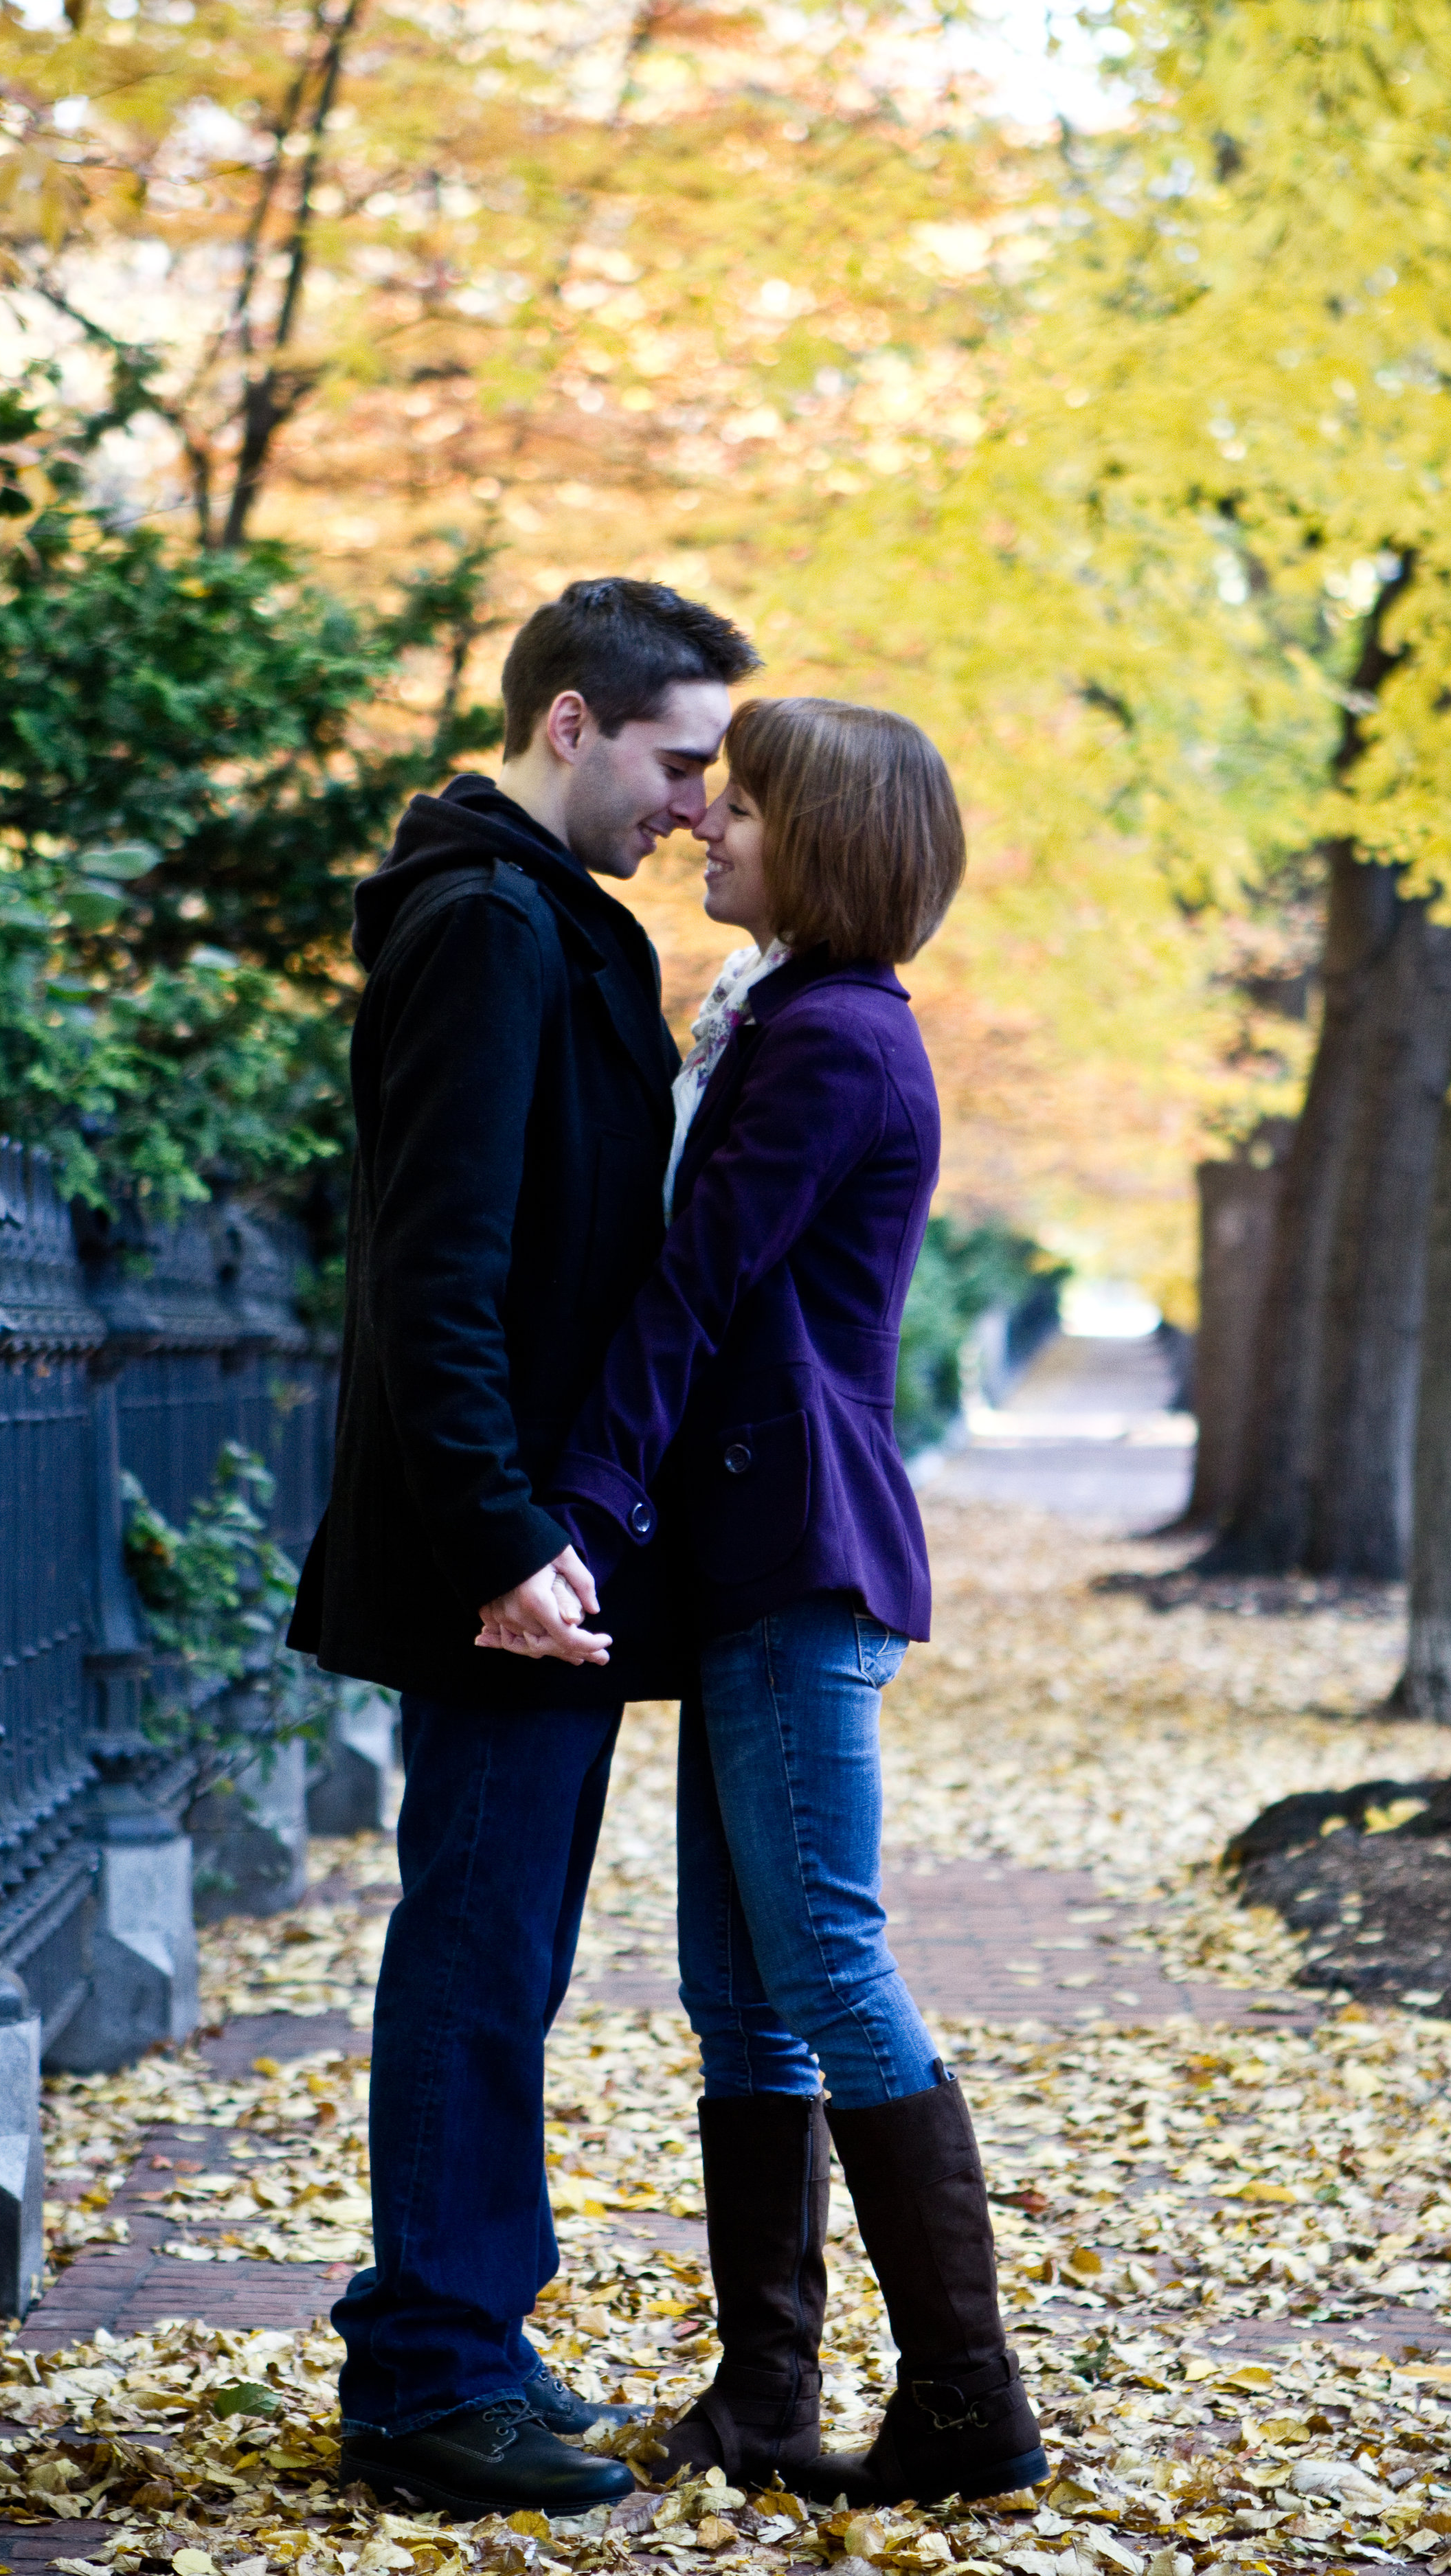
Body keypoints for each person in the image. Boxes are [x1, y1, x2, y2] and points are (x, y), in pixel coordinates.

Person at [479, 697, 1048, 2510]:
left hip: (793, 1556)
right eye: (708, 803)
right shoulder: (784, 1020)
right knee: (749, 1999)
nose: (708, 830)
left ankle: (967, 2399)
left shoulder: (823, 1042)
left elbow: (696, 1298)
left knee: (820, 1959)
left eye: (744, 813)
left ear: (832, 840)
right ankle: (764, 2398)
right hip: (748, 1557)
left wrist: (570, 1508)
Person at [286, 578, 761, 2520]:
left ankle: (456, 2325)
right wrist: (501, 1535)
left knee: (502, 1949)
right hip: (502, 1563)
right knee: (479, 1955)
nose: (690, 805)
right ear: (568, 723)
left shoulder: (540, 921)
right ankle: (428, 2383)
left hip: (537, 1553)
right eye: (672, 760)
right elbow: (436, 1268)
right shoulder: (489, 926)